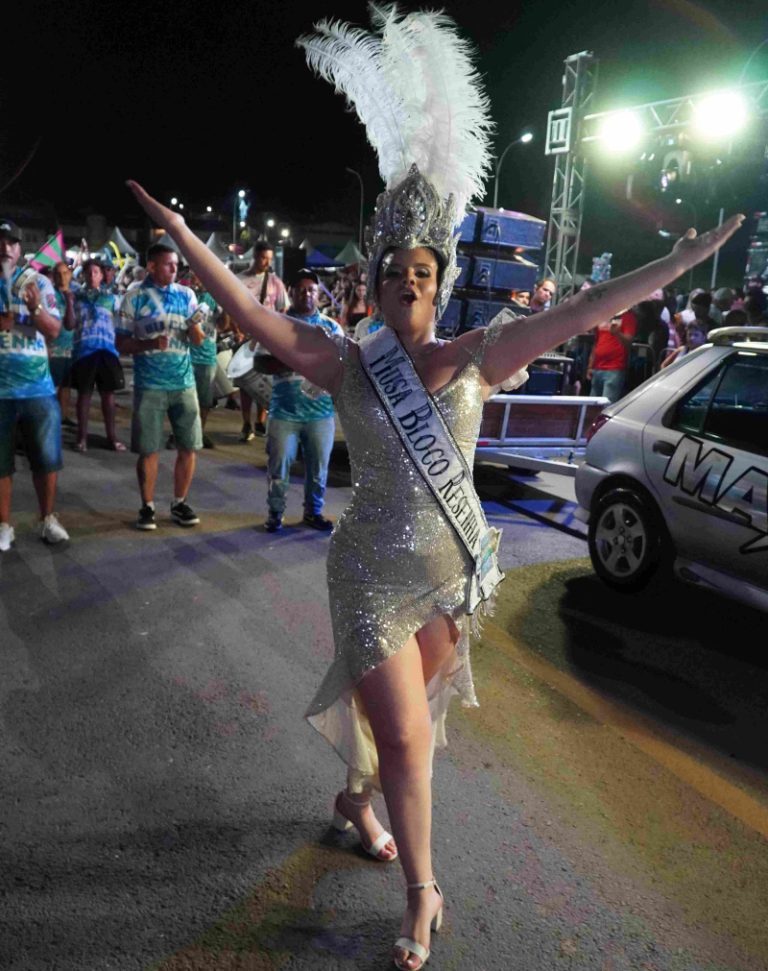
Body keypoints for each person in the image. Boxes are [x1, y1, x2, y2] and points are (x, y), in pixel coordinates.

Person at [127, 11, 742, 969]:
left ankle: (353, 801)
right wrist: (179, 233)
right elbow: (245, 308)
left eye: (425, 271)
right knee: (411, 738)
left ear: (440, 281)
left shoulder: (477, 356)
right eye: (396, 272)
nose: (410, 282)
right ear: (375, 286)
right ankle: (424, 892)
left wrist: (676, 263)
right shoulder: (342, 361)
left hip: (451, 573)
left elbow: (587, 306)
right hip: (370, 573)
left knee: (404, 723)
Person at [116, 243, 205, 530]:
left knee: (189, 446)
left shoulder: (186, 295)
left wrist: (194, 327)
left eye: (176, 264)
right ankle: (147, 506)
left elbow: (198, 340)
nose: (175, 269)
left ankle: (180, 502)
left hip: (184, 382)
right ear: (152, 266)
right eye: (168, 264)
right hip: (149, 384)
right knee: (149, 449)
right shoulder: (134, 297)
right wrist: (149, 344)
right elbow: (121, 343)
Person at [0, 218, 70, 550]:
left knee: (45, 460)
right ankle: (3, 525)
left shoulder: (38, 282)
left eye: (11, 242)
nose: (5, 248)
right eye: (1, 242)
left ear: (19, 248)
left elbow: (54, 330)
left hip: (38, 389)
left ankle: (47, 519)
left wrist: (35, 308)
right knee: (1, 464)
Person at [264, 269, 343, 533]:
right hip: (284, 411)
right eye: (301, 290)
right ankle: (275, 513)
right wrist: (291, 359)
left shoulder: (331, 327)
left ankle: (313, 512)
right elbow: (259, 362)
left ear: (318, 294)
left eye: (312, 290)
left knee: (318, 470)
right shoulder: (277, 324)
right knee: (279, 467)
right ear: (291, 292)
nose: (307, 295)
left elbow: (343, 364)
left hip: (320, 413)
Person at [70, 259, 127, 451]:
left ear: (102, 276)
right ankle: (81, 438)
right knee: (84, 395)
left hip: (107, 349)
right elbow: (70, 323)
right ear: (83, 275)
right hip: (84, 349)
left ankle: (112, 437)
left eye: (96, 272)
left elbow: (121, 322)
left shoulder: (111, 298)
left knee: (108, 395)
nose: (92, 275)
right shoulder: (76, 297)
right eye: (88, 272)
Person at [235, 241, 288, 441]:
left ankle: (260, 421)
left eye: (269, 259)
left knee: (264, 379)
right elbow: (231, 308)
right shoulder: (239, 280)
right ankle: (246, 423)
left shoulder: (275, 282)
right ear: (255, 257)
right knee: (245, 383)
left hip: (267, 340)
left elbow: (283, 309)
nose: (267, 262)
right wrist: (237, 330)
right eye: (263, 258)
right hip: (245, 338)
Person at [586, 308, 637, 402]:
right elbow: (596, 342)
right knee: (592, 405)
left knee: (607, 405)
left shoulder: (627, 316)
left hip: (614, 368)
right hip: (597, 368)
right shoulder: (601, 316)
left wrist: (617, 333)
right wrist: (590, 366)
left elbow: (629, 342)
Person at [49, 261, 77, 427]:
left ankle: (63, 416)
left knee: (66, 385)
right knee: (53, 385)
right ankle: (51, 419)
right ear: (53, 276)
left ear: (70, 274)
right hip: (54, 347)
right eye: (58, 274)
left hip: (71, 346)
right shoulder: (49, 294)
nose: (62, 277)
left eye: (65, 273)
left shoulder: (75, 294)